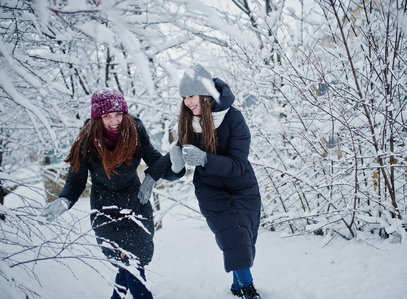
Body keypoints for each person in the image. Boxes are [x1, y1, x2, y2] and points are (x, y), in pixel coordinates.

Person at [39, 87, 185, 299]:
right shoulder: (87, 139)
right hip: (104, 210)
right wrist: (64, 200)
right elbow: (75, 180)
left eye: (118, 114)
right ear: (98, 117)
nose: (114, 120)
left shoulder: (134, 129)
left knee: (132, 261)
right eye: (107, 116)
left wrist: (176, 170)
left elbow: (154, 159)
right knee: (129, 262)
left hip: (136, 203)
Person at [171, 64, 262, 299]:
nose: (187, 102)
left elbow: (238, 164)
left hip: (242, 185)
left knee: (244, 236)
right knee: (232, 234)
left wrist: (205, 158)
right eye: (184, 97)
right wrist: (160, 172)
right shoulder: (187, 121)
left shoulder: (234, 118)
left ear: (205, 93)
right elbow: (178, 156)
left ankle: (237, 286)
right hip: (210, 188)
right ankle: (249, 289)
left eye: (191, 96)